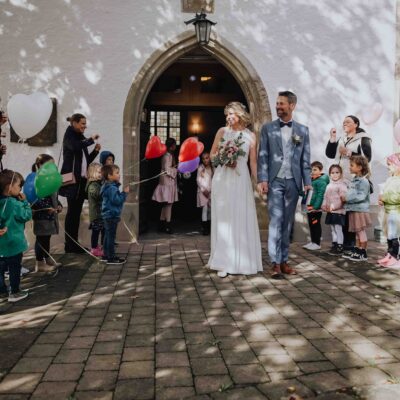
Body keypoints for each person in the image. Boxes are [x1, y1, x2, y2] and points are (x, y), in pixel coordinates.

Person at [257, 91, 311, 279]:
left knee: (287, 224)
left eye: (282, 104)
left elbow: (305, 159)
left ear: (292, 106)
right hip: (275, 181)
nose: (278, 106)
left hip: (294, 182)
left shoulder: (303, 130)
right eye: (277, 103)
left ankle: (284, 261)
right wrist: (262, 179)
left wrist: (308, 182)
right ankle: (275, 263)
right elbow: (262, 155)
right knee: (276, 221)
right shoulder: (268, 128)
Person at [208, 102, 262, 278]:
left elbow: (252, 162)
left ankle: (243, 260)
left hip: (241, 180)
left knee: (240, 216)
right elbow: (212, 156)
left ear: (240, 114)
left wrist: (258, 182)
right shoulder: (222, 132)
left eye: (231, 114)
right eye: (227, 115)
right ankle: (223, 262)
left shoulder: (250, 136)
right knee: (224, 219)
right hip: (223, 179)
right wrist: (223, 157)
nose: (229, 117)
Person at [326, 115, 371, 252]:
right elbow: (330, 154)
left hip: (353, 181)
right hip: (340, 180)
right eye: (343, 122)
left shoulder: (363, 138)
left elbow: (367, 158)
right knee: (341, 212)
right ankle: (342, 243)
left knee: (350, 212)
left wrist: (349, 153)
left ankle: (350, 244)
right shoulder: (342, 139)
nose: (344, 123)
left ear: (356, 124)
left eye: (348, 122)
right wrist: (333, 139)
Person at [59, 114, 101, 253]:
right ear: (74, 123)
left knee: (76, 213)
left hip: (80, 180)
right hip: (72, 181)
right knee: (72, 213)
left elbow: (85, 161)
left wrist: (95, 151)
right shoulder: (70, 135)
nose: (85, 126)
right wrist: (90, 140)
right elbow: (76, 147)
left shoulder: (79, 138)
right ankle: (70, 244)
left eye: (85, 123)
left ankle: (73, 243)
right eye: (82, 123)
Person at [0, 169, 32, 302]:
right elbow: (26, 215)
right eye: (19, 186)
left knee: (0, 269)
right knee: (14, 268)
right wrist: (25, 202)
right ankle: (15, 292)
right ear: (9, 187)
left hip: (1, 246)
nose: (20, 189)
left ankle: (1, 291)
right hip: (14, 244)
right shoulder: (14, 204)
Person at [31, 154, 62, 273]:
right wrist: (47, 207)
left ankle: (47, 258)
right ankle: (39, 263)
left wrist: (57, 205)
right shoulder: (37, 179)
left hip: (50, 215)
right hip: (42, 216)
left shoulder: (49, 178)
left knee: (47, 237)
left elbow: (52, 195)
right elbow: (37, 198)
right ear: (39, 165)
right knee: (41, 239)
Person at [341, 155, 371, 262]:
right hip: (354, 209)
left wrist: (347, 198)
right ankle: (359, 249)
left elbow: (361, 196)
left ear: (359, 167)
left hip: (360, 210)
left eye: (351, 165)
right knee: (358, 232)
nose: (349, 167)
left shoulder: (363, 181)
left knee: (360, 231)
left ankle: (363, 252)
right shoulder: (355, 180)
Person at [100, 164, 129, 264]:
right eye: (117, 173)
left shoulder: (108, 186)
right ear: (109, 176)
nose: (119, 174)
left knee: (107, 236)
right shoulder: (112, 188)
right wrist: (124, 193)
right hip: (111, 215)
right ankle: (111, 257)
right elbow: (117, 200)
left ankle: (105, 255)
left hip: (107, 215)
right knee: (111, 237)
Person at [377, 154, 400, 267]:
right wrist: (382, 199)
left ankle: (395, 256)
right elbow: (386, 193)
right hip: (388, 211)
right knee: (389, 235)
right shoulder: (390, 179)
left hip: (396, 212)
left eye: (390, 165)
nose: (388, 168)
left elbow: (397, 197)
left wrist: (385, 198)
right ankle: (390, 254)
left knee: (394, 235)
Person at [152, 138, 178, 234]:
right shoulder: (168, 156)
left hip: (165, 181)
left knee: (165, 204)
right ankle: (168, 225)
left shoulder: (165, 155)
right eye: (174, 145)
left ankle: (161, 224)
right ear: (171, 146)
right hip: (168, 182)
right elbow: (167, 169)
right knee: (169, 204)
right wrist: (176, 170)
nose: (175, 147)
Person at [321, 164, 347, 255]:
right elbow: (325, 197)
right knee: (332, 229)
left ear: (340, 174)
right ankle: (334, 244)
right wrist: (324, 206)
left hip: (338, 211)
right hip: (330, 211)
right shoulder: (329, 185)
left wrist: (334, 207)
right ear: (329, 174)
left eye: (337, 172)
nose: (335, 174)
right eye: (332, 173)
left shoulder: (342, 185)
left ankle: (340, 246)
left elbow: (343, 200)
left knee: (338, 228)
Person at [303, 161, 329, 251]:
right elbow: (308, 194)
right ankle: (313, 242)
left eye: (315, 170)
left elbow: (320, 195)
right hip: (310, 206)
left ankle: (317, 243)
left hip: (316, 207)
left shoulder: (321, 182)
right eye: (311, 170)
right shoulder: (312, 180)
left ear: (320, 170)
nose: (312, 172)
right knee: (311, 224)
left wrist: (316, 207)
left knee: (315, 224)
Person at [86, 162, 104, 257]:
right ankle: (94, 248)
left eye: (101, 172)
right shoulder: (93, 186)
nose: (101, 174)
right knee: (96, 232)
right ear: (92, 173)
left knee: (102, 230)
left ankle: (100, 247)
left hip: (100, 213)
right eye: (99, 172)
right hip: (96, 214)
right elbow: (98, 195)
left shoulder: (98, 184)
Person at [196, 152, 213, 235]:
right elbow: (198, 180)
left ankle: (209, 227)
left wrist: (212, 190)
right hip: (203, 191)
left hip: (211, 191)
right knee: (205, 209)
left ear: (209, 158)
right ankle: (204, 228)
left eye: (207, 158)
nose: (205, 160)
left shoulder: (213, 168)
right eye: (203, 158)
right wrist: (203, 189)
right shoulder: (201, 168)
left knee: (210, 209)